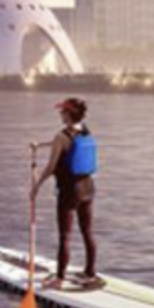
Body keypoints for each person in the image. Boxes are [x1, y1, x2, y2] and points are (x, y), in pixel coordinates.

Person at [31, 96, 101, 290]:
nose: (60, 114)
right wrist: (42, 145)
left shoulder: (61, 136)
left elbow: (52, 167)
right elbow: (66, 144)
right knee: (87, 232)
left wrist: (36, 186)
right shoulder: (86, 131)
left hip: (70, 192)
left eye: (62, 111)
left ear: (69, 114)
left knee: (65, 236)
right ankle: (90, 272)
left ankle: (59, 279)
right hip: (88, 189)